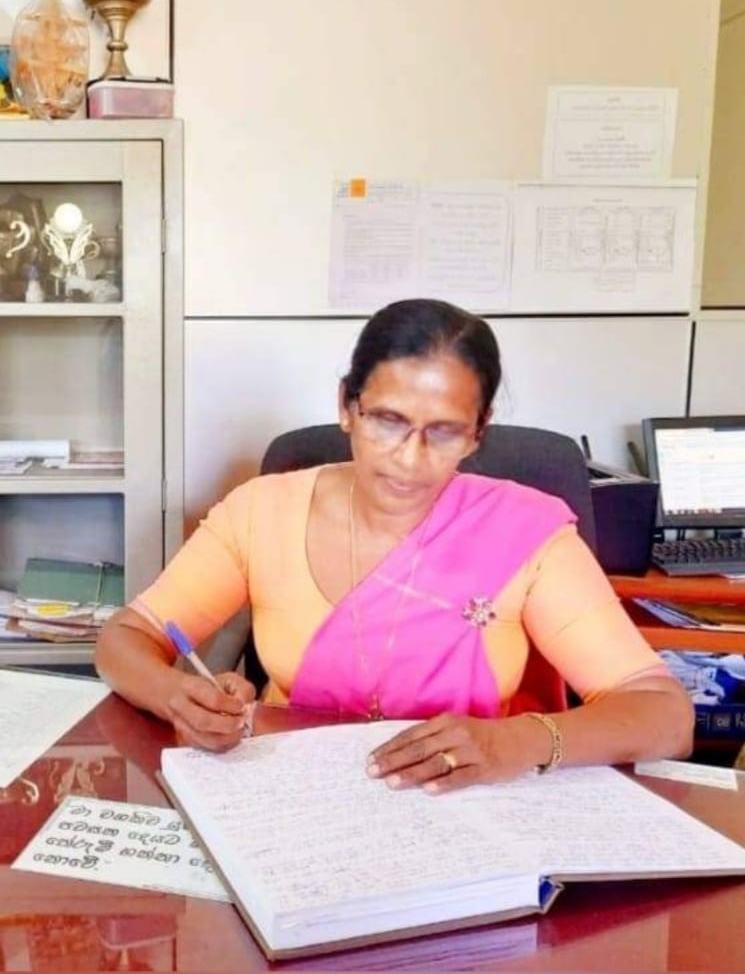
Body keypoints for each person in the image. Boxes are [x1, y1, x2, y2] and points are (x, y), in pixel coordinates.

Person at [96, 299, 693, 792]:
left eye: (444, 431)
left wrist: (517, 740)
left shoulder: (527, 532)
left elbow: (664, 713)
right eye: (387, 420)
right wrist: (179, 697)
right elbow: (126, 637)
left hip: (469, 804)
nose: (409, 458)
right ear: (346, 407)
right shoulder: (261, 512)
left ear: (478, 432)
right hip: (295, 798)